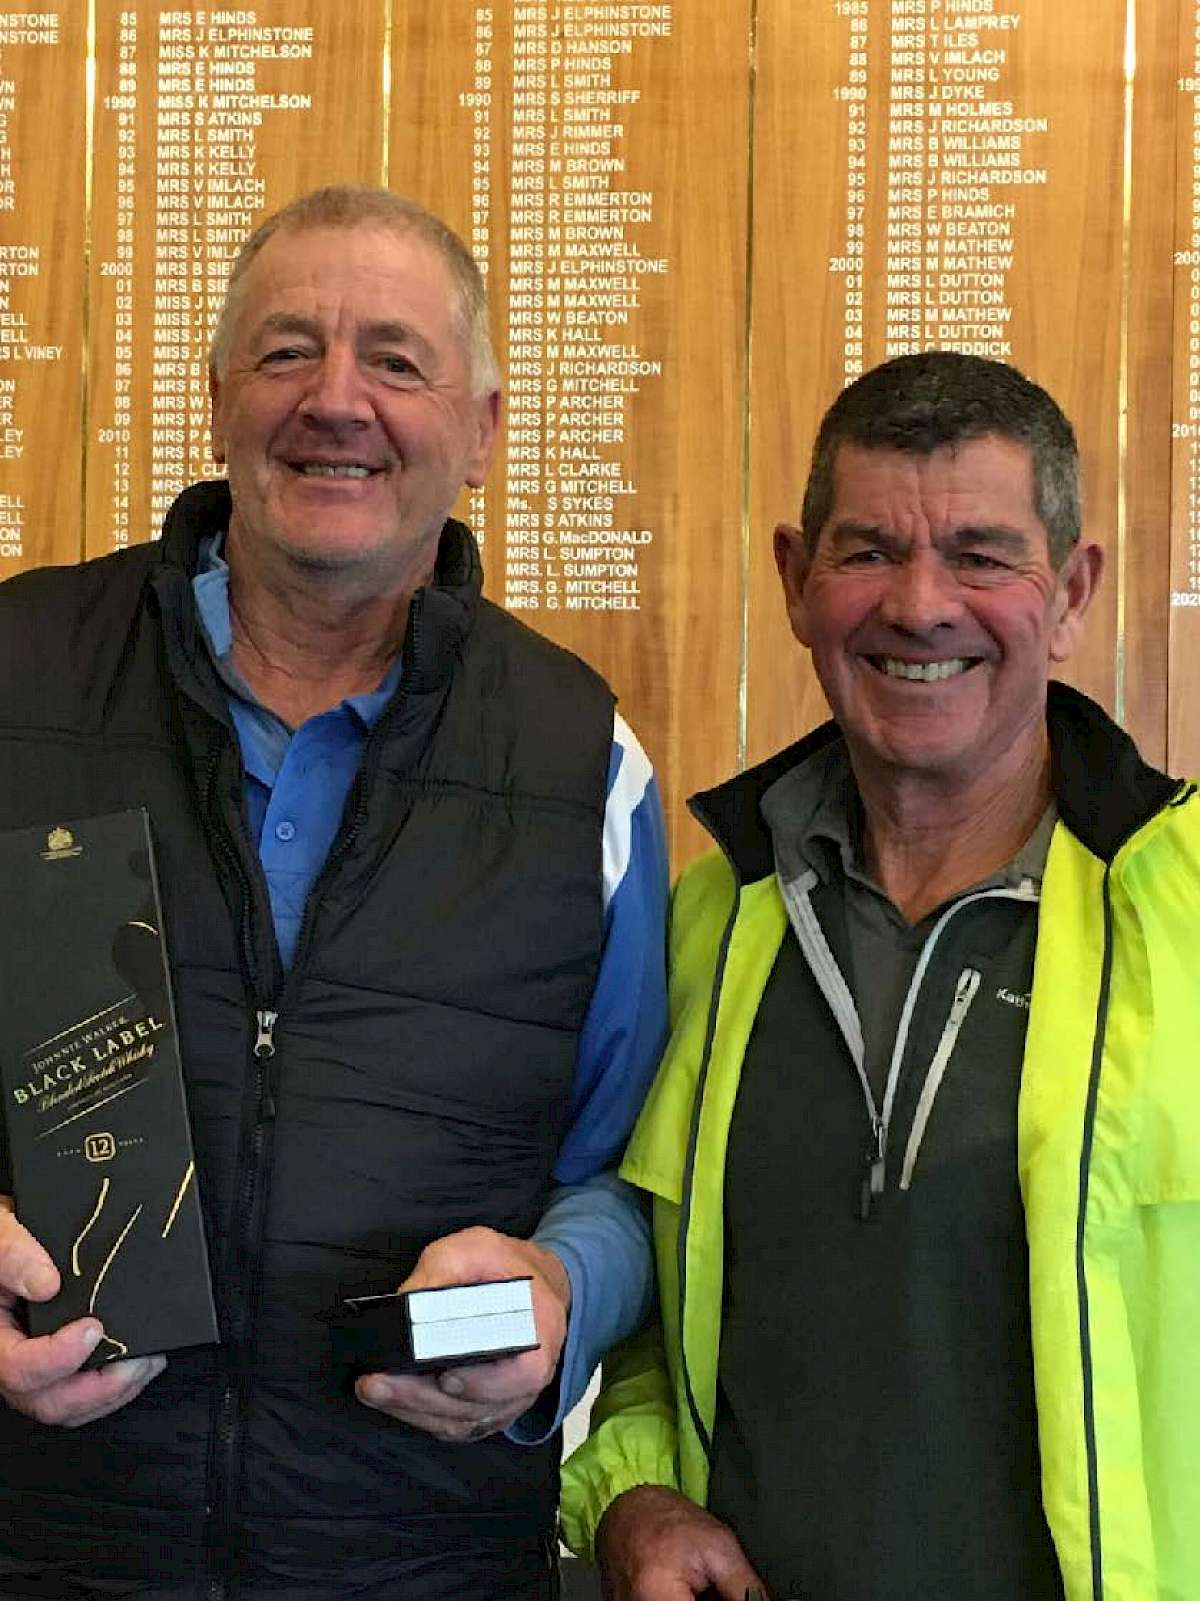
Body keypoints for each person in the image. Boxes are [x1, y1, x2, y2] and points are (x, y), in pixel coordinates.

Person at [0, 186, 667, 1600]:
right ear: (220, 398)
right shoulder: (17, 682)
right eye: (289, 350)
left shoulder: (581, 763)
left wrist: (559, 1295)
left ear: (481, 434)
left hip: (427, 1559)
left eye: (398, 360)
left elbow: (621, 1180)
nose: (337, 401)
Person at [561, 351, 1200, 1601]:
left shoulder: (1186, 905)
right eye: (868, 553)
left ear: (1071, 591)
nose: (921, 604)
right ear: (798, 582)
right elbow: (652, 1304)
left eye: (980, 554)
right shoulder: (706, 919)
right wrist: (629, 1493)